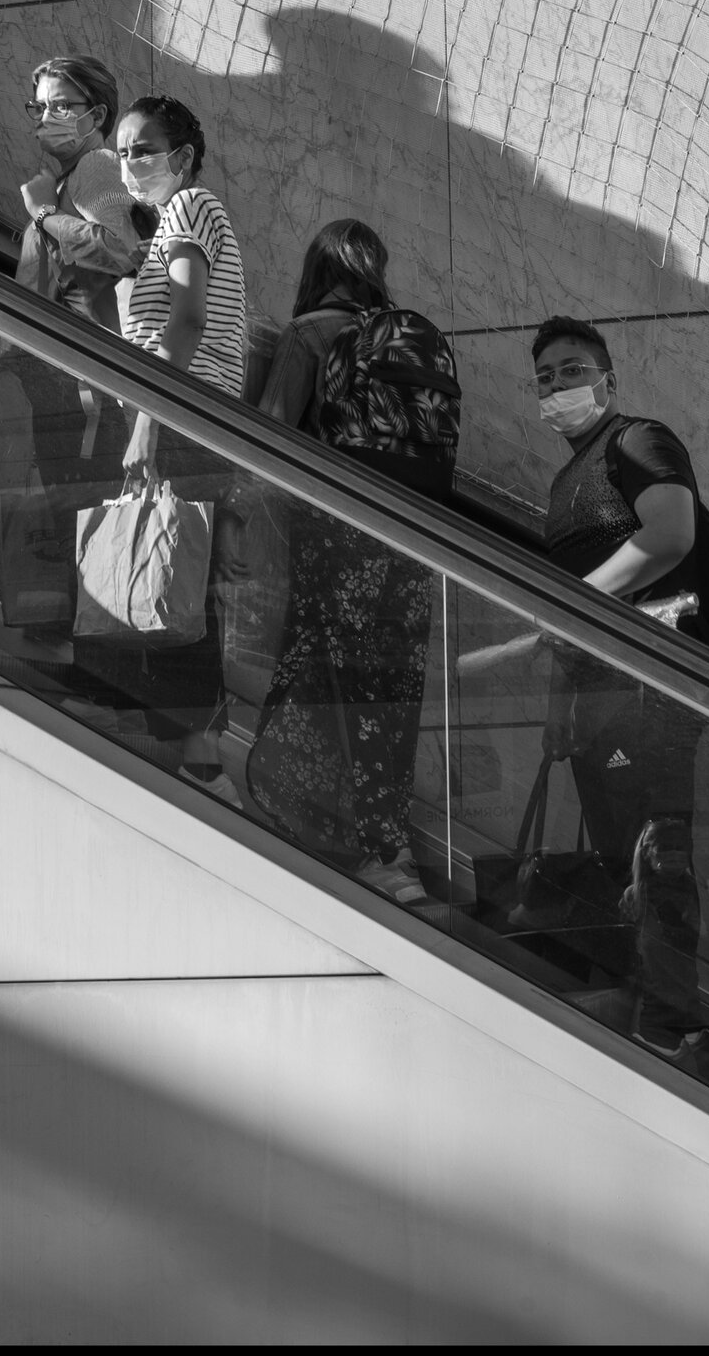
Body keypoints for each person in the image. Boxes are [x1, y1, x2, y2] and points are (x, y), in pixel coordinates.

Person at [519, 315, 709, 1054]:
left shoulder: (637, 439)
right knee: (621, 857)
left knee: (659, 854)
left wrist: (576, 606)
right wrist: (559, 706)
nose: (558, 387)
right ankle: (647, 1001)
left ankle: (672, 1018)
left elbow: (670, 535)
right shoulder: (567, 477)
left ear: (609, 379)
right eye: (544, 378)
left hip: (651, 684)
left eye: (572, 370)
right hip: (599, 693)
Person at [243, 220, 437, 906]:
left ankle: (335, 834)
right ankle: (393, 850)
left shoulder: (312, 334)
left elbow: (269, 436)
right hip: (410, 549)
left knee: (319, 679)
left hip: (335, 539)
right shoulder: (405, 342)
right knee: (384, 692)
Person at [69, 95, 247, 791]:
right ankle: (197, 757)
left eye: (143, 147)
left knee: (173, 570)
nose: (130, 161)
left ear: (183, 155)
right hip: (183, 414)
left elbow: (189, 320)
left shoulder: (191, 207)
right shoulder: (170, 222)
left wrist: (147, 417)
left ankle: (195, 759)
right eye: (122, 149)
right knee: (175, 570)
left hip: (179, 417)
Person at [4, 54, 140, 509]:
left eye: (60, 107)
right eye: (39, 107)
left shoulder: (98, 165)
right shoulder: (65, 180)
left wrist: (43, 214)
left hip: (90, 395)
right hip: (68, 386)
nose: (45, 118)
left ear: (97, 114)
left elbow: (120, 250)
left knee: (83, 526)